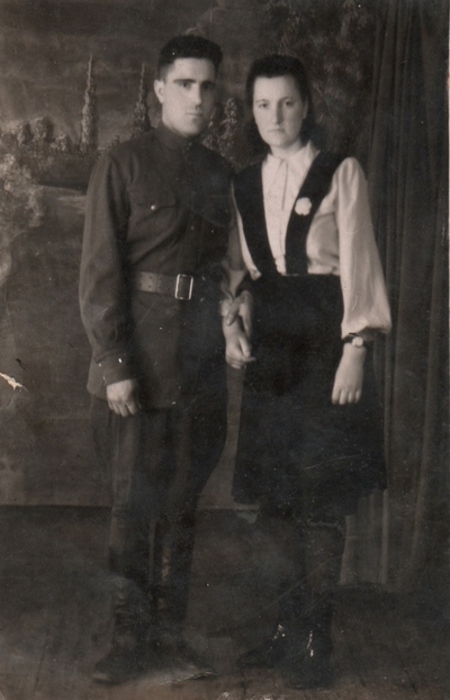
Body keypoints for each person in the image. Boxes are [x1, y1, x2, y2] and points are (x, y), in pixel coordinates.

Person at [223, 54, 391, 690]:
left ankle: (318, 640)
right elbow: (241, 273)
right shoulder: (244, 183)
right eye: (262, 104)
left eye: (287, 102)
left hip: (326, 345)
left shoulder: (340, 172)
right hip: (272, 352)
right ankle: (283, 631)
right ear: (251, 110)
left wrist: (357, 346)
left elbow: (359, 260)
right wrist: (235, 319)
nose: (275, 116)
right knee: (275, 500)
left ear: (306, 105)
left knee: (319, 497)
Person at [80, 35, 237, 685]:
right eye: (185, 85)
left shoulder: (223, 175)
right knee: (131, 506)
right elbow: (99, 274)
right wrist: (114, 364)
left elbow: (231, 272)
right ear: (160, 91)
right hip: (137, 365)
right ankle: (127, 641)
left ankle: (170, 637)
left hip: (199, 366)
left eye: (208, 86)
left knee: (181, 504)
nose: (198, 98)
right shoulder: (122, 163)